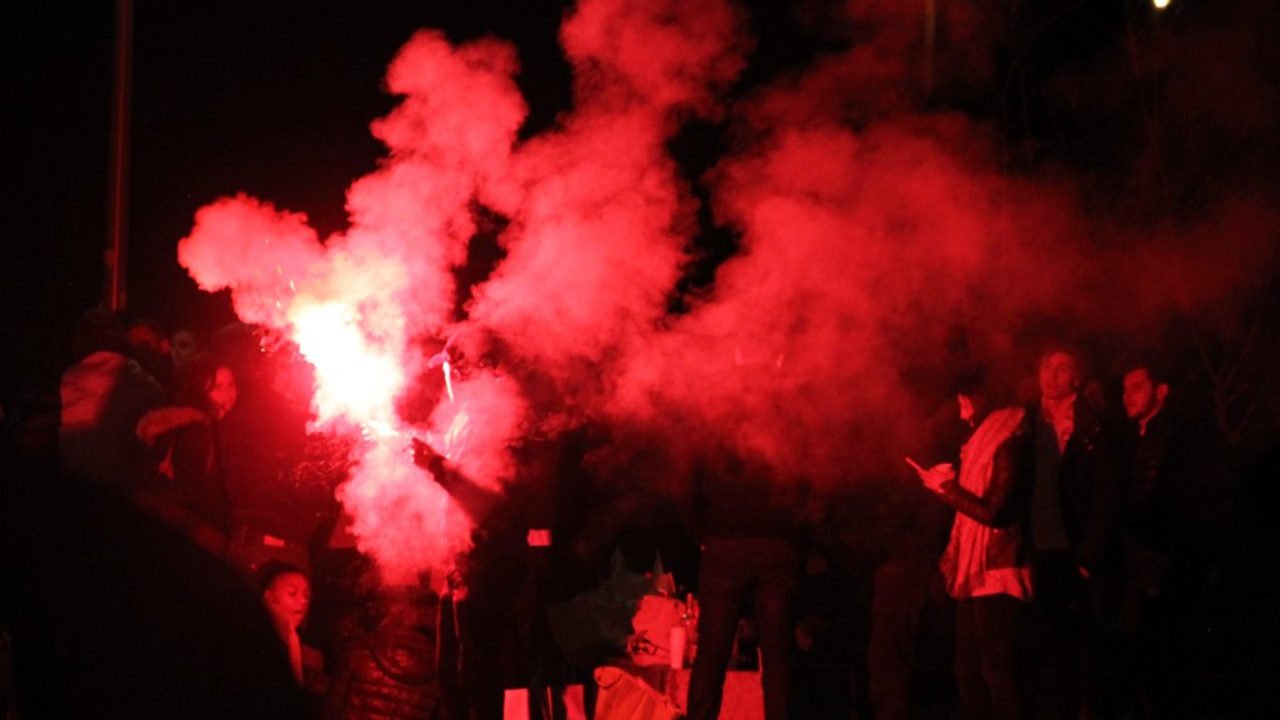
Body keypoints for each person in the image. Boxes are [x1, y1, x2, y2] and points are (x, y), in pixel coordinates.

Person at [914, 373, 1032, 720]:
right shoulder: (978, 446)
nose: (960, 407)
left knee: (996, 669)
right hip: (974, 569)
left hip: (998, 567)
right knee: (967, 669)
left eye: (965, 399)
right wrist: (944, 487)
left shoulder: (1008, 443)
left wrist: (949, 489)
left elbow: (995, 512)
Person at [1023, 344, 1123, 720]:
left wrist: (1087, 557)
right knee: (1043, 654)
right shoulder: (1026, 424)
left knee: (1081, 655)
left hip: (1074, 553)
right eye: (1045, 365)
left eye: (1062, 368)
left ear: (1076, 378)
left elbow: (1106, 497)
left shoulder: (1093, 427)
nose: (1051, 375)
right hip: (1036, 550)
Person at [684, 439, 809, 720]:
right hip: (777, 542)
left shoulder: (712, 424)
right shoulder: (789, 422)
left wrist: (700, 533)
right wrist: (797, 537)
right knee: (777, 652)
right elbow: (807, 481)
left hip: (725, 542)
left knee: (712, 650)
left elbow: (687, 483)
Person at [133, 357, 238, 555]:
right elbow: (195, 489)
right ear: (200, 390)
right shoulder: (197, 430)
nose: (228, 392)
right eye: (217, 386)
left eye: (231, 384)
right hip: (186, 528)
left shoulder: (204, 424)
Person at [259, 560, 325, 693]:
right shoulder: (255, 642)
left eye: (307, 596)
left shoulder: (307, 653)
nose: (303, 601)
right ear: (269, 597)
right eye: (292, 593)